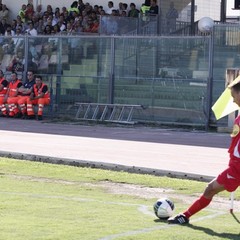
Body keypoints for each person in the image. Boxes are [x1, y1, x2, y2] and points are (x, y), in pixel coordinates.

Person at [168, 79, 240, 224]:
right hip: (234, 167)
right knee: (210, 190)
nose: (233, 101)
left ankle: (185, 216)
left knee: (210, 189)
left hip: (237, 168)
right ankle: (185, 216)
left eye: (234, 96)